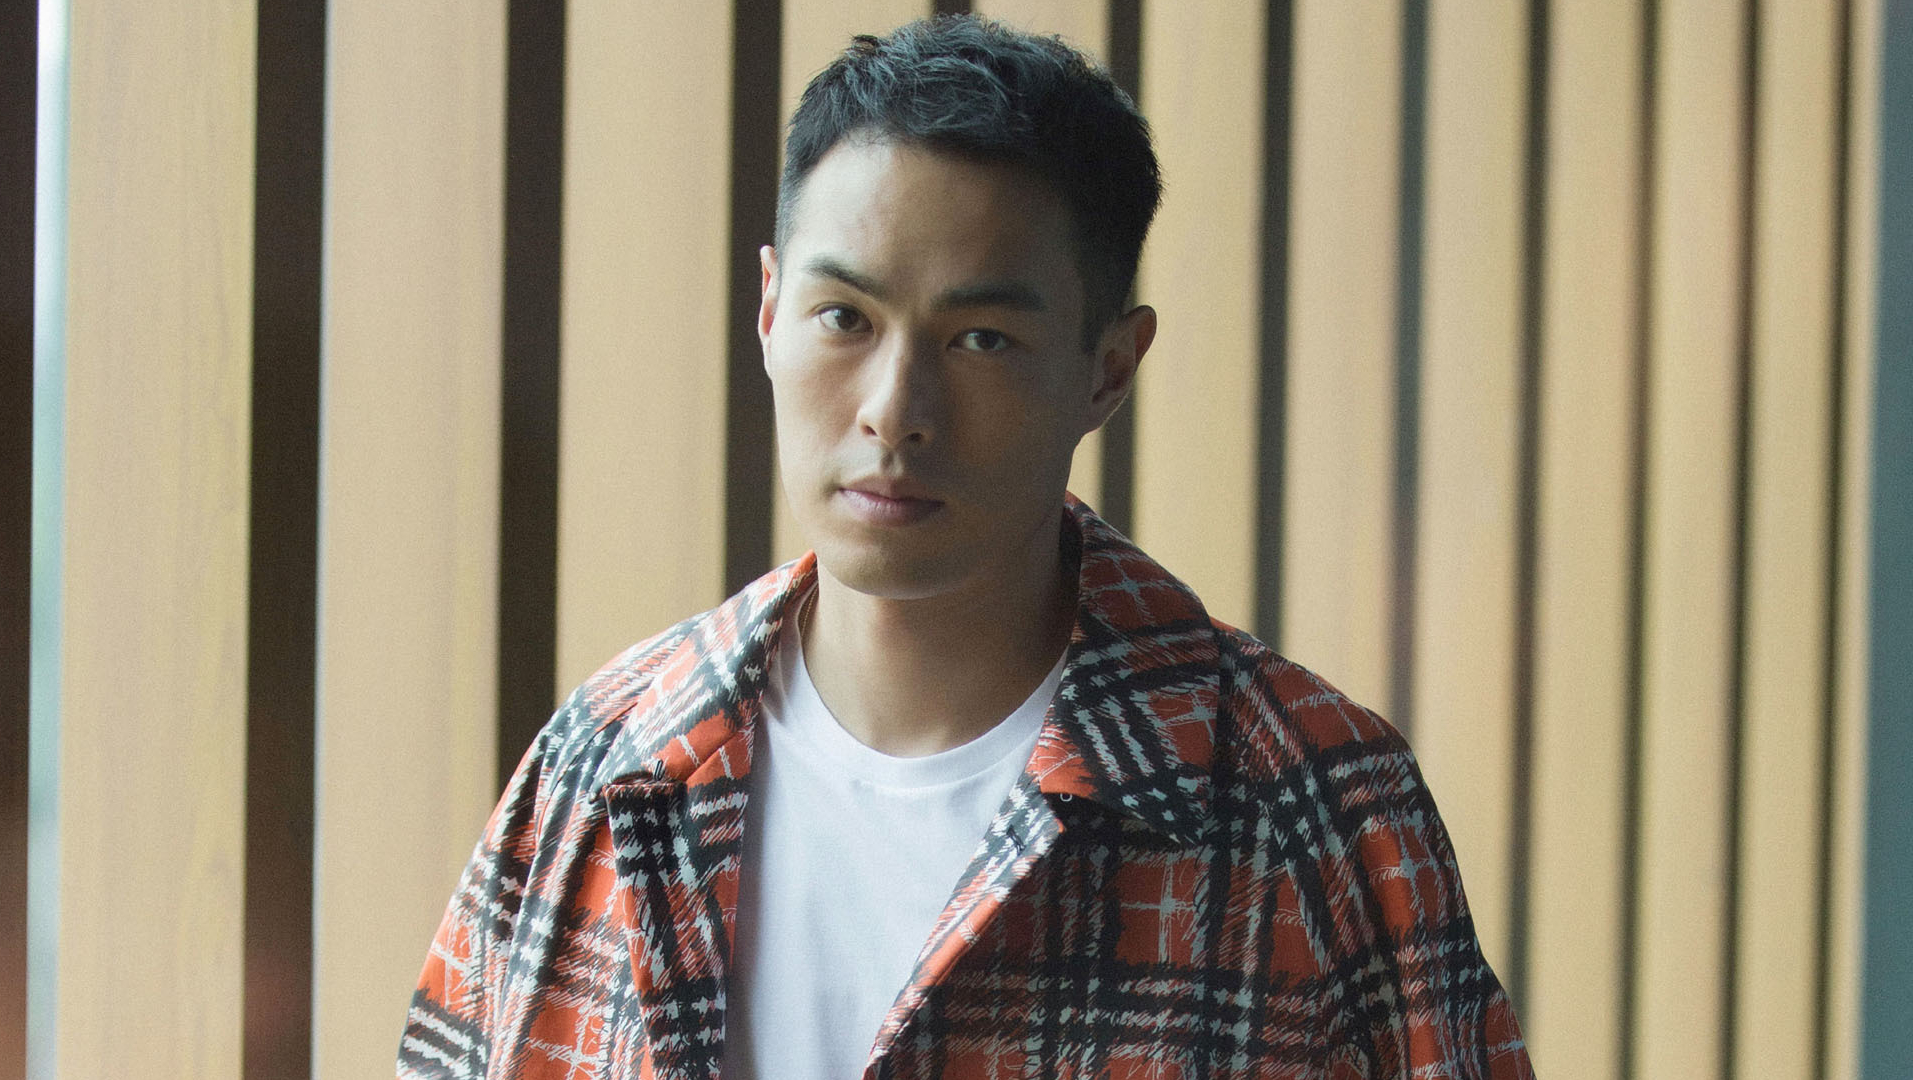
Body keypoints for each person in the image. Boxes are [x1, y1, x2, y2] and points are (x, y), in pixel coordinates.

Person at [397, 15, 1532, 1080]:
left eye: (981, 339)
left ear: (1108, 370)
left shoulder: (1313, 807)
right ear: (769, 310)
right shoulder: (606, 768)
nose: (896, 410)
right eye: (845, 318)